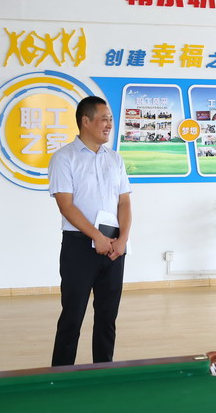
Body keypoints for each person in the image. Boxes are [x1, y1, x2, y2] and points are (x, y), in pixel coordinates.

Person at [48, 96, 132, 366]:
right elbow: (66, 205)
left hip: (114, 247)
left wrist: (122, 240)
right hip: (79, 246)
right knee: (72, 317)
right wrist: (96, 237)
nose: (109, 125)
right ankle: (60, 376)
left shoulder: (115, 159)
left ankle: (103, 371)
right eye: (104, 119)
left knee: (108, 317)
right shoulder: (64, 158)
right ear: (85, 121)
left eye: (111, 119)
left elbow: (124, 202)